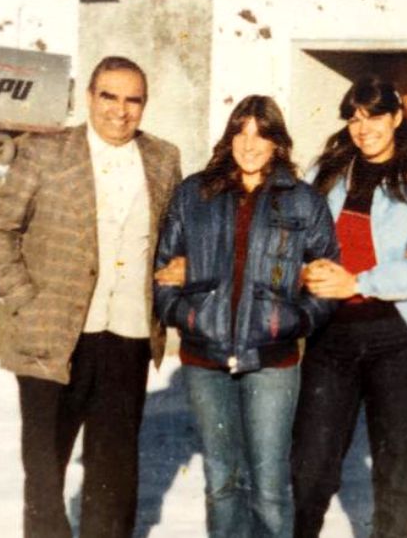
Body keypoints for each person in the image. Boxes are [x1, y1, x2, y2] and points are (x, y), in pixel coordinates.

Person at [0, 56, 182, 538]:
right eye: (109, 96)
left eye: (133, 100)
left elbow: (172, 238)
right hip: (53, 337)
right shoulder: (46, 153)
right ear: (90, 97)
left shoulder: (163, 158)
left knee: (114, 474)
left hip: (128, 335)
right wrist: (27, 299)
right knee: (45, 474)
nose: (120, 110)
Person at [153, 95, 339, 537]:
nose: (250, 144)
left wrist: (296, 322)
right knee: (222, 483)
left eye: (262, 133)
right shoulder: (195, 194)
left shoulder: (302, 201)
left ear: (278, 142)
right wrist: (187, 317)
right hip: (205, 361)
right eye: (241, 131)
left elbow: (327, 279)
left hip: (272, 363)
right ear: (229, 136)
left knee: (270, 487)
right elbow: (163, 272)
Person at [290, 76, 407, 538]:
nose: (364, 129)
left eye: (375, 117)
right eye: (355, 118)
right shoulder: (324, 175)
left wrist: (360, 281)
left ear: (397, 118)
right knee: (310, 468)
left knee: (395, 473)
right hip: (331, 337)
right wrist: (302, 271)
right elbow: (294, 240)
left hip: (395, 340)